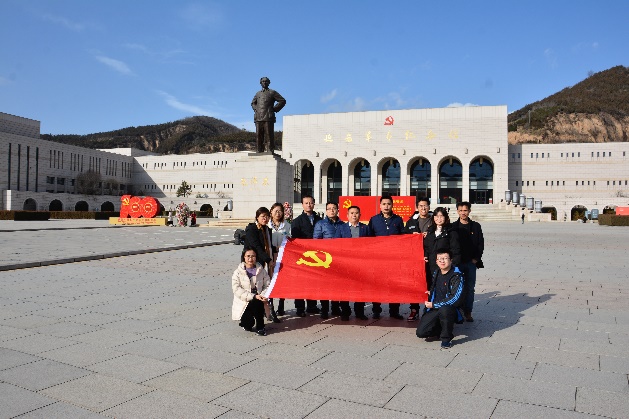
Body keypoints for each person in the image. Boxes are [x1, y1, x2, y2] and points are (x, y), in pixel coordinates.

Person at [416, 249, 464, 349]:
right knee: (421, 333)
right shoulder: (437, 272)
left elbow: (455, 298)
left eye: (445, 258)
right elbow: (435, 288)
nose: (442, 261)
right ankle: (442, 328)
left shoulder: (457, 275)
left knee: (445, 310)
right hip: (435, 307)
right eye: (439, 259)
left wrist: (434, 305)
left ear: (451, 260)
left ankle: (446, 339)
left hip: (449, 308)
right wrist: (430, 293)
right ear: (436, 261)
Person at [368, 195, 405, 320]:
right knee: (376, 284)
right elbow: (369, 239)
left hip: (394, 258)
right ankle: (376, 310)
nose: (386, 206)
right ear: (380, 205)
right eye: (384, 204)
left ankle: (394, 311)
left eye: (388, 204)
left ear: (392, 205)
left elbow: (404, 237)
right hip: (378, 258)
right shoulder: (374, 220)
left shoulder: (398, 219)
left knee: (394, 285)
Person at [244, 207, 279, 323]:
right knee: (253, 288)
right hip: (252, 263)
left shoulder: (267, 230)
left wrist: (280, 248)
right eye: (263, 216)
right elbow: (257, 247)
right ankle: (250, 313)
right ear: (257, 217)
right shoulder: (252, 229)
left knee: (265, 286)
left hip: (263, 263)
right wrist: (268, 260)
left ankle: (268, 310)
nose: (265, 219)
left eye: (267, 216)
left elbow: (268, 246)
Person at [336, 205, 371, 320]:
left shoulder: (365, 228)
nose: (354, 215)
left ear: (360, 215)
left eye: (356, 213)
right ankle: (345, 311)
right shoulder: (341, 228)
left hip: (361, 264)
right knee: (344, 288)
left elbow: (371, 245)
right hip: (345, 263)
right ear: (347, 215)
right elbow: (336, 245)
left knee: (360, 288)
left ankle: (359, 312)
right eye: (351, 213)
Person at [290, 195, 322, 317]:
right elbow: (295, 240)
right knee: (301, 282)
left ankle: (312, 306)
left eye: (311, 203)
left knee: (313, 282)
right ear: (302, 205)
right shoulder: (297, 221)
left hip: (317, 256)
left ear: (314, 204)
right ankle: (300, 307)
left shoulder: (320, 220)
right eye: (306, 203)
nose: (309, 205)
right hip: (303, 256)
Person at [452, 201, 484, 322]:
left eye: (465, 210)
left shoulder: (476, 226)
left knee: (470, 288)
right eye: (460, 210)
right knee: (457, 287)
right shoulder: (453, 227)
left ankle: (468, 311)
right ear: (457, 211)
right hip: (457, 263)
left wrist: (476, 258)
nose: (463, 213)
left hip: (471, 263)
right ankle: (457, 310)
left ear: (469, 211)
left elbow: (480, 244)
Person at [313, 202, 345, 320]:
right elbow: (316, 242)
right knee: (325, 285)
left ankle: (335, 307)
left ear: (338, 210)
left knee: (338, 285)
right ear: (326, 211)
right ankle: (324, 309)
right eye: (329, 209)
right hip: (325, 259)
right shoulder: (320, 224)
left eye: (334, 208)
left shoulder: (343, 224)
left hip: (339, 260)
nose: (332, 210)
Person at [404, 197, 433, 321]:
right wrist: (412, 236)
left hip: (430, 258)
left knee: (430, 284)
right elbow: (404, 238)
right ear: (417, 207)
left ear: (429, 207)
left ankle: (429, 309)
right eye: (421, 206)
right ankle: (414, 310)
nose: (423, 208)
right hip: (415, 258)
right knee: (414, 285)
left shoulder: (435, 220)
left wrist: (429, 236)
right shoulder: (411, 222)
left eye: (425, 205)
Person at [232, 247, 270, 336]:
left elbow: (267, 284)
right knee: (248, 325)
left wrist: (263, 295)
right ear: (244, 257)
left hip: (258, 298)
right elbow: (236, 289)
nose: (250, 258)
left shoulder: (261, 270)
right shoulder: (238, 272)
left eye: (253, 256)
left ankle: (260, 327)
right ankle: (245, 322)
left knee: (258, 302)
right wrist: (253, 296)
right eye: (248, 256)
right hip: (244, 301)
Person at [423, 207, 461, 287]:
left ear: (445, 217)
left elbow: (455, 249)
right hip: (432, 264)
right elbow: (426, 246)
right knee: (432, 286)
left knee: (444, 287)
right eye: (436, 216)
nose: (439, 219)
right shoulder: (430, 231)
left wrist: (454, 265)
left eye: (441, 216)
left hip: (445, 265)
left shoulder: (451, 231)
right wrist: (425, 256)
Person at [251, 76, 286, 153]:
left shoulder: (272, 92)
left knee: (269, 134)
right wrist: (256, 109)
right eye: (263, 81)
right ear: (260, 83)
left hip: (268, 116)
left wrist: (274, 109)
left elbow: (282, 101)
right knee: (258, 135)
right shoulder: (258, 93)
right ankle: (259, 150)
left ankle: (270, 150)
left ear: (269, 83)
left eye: (266, 81)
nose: (264, 82)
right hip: (258, 117)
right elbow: (253, 103)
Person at [269, 202, 291, 316]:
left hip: (282, 256)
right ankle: (270, 306)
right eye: (276, 211)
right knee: (270, 280)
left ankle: (281, 305)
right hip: (270, 256)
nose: (278, 213)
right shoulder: (267, 224)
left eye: (280, 211)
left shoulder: (287, 225)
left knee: (282, 280)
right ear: (271, 212)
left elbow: (290, 239)